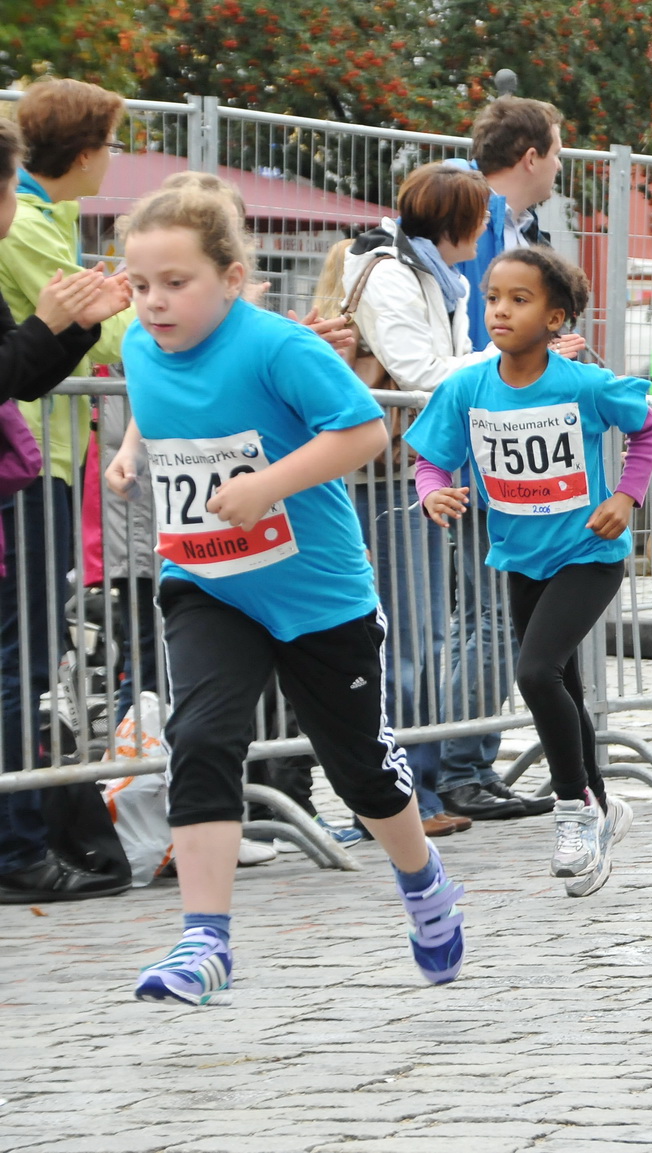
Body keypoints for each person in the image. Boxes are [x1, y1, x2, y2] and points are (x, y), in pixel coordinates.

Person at [107, 181, 465, 1004]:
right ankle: (206, 941)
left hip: (315, 592)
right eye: (140, 284)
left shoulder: (279, 347)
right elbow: (158, 399)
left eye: (175, 282)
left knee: (362, 770)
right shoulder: (135, 340)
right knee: (199, 736)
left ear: (232, 279)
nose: (154, 301)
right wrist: (133, 449)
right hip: (206, 580)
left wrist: (268, 484)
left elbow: (366, 430)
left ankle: (422, 880)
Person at [406, 248, 652, 898]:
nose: (500, 309)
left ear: (555, 317)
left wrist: (626, 496)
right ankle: (602, 807)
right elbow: (430, 460)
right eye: (493, 296)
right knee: (563, 686)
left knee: (533, 671)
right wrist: (433, 491)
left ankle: (573, 810)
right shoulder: (467, 386)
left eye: (518, 299)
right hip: (521, 557)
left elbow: (648, 428)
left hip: (589, 553)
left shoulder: (579, 383)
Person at [345, 162, 558, 824]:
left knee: (432, 630)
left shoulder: (442, 277)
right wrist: (508, 356)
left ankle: (429, 777)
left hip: (427, 458)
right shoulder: (389, 274)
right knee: (410, 635)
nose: (486, 230)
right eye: (478, 219)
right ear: (459, 223)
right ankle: (408, 790)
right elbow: (421, 372)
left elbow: (448, 366)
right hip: (389, 468)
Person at [0, 79, 136, 900]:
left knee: (25, 657)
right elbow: (14, 367)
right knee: (18, 661)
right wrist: (65, 324)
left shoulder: (45, 226)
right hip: (26, 477)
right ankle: (15, 849)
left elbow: (28, 372)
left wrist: (73, 325)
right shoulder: (27, 230)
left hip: (39, 466)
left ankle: (22, 841)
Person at [443, 96, 568, 822]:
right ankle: (459, 763)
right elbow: (482, 336)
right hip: (483, 444)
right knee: (487, 617)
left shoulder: (513, 224)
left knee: (489, 617)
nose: (557, 166)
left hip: (505, 446)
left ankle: (469, 761)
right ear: (530, 157)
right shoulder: (478, 215)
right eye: (554, 152)